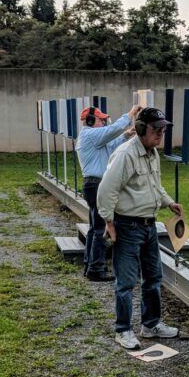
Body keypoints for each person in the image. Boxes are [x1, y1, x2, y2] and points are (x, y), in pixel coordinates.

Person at [97, 106, 184, 349]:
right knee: (125, 282)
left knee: (153, 277)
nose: (160, 134)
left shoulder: (151, 153)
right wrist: (109, 222)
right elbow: (106, 190)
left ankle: (150, 324)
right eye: (156, 130)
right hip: (127, 225)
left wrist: (168, 202)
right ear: (140, 129)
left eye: (163, 130)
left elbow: (154, 184)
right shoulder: (125, 154)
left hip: (147, 225)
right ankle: (123, 329)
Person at [76, 102, 142, 282]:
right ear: (90, 120)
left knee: (93, 228)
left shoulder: (92, 138)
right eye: (100, 120)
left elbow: (111, 145)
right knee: (100, 228)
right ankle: (96, 268)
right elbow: (113, 130)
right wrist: (131, 113)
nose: (103, 124)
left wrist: (126, 135)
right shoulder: (90, 134)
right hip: (97, 184)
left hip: (93, 184)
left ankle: (89, 264)